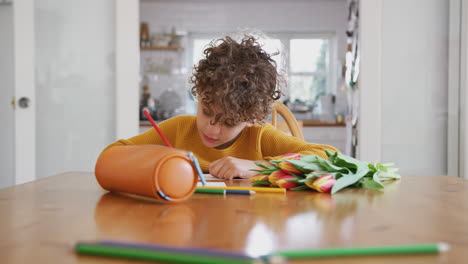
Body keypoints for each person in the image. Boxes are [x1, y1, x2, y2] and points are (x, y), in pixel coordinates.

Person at [101, 34, 338, 179]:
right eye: (206, 111)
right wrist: (158, 161)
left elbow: (330, 159)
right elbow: (110, 157)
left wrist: (259, 167)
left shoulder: (259, 138)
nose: (211, 129)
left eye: (229, 122)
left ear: (251, 118)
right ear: (200, 94)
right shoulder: (179, 130)